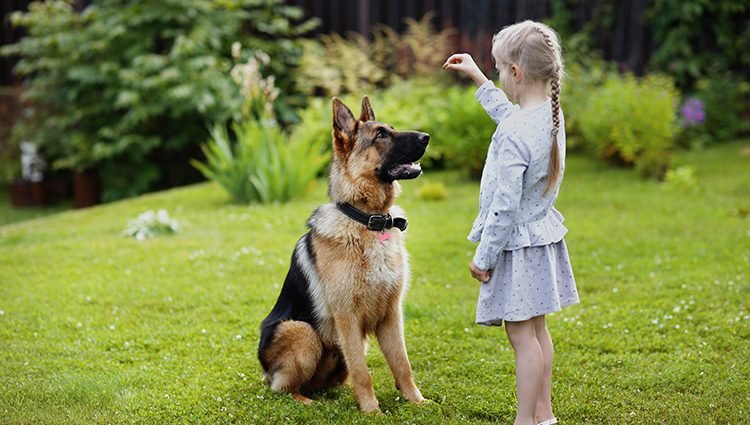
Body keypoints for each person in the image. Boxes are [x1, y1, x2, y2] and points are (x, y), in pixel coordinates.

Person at [443, 20, 580, 425]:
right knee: (537, 333)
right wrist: (479, 78)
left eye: (501, 69)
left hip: (517, 251)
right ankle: (544, 414)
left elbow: (504, 209)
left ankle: (525, 420)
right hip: (540, 243)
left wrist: (483, 258)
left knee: (522, 338)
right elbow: (509, 115)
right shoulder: (550, 117)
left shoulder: (515, 134)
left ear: (517, 73)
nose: (501, 76)